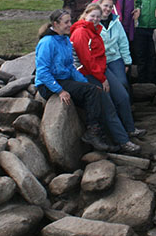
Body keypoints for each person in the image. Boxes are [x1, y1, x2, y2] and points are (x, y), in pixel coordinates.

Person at [34, 9, 115, 152]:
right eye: (66, 22)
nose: (69, 25)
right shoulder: (47, 42)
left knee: (93, 91)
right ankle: (92, 133)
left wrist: (85, 83)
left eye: (70, 21)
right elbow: (42, 71)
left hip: (63, 79)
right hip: (49, 84)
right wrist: (59, 91)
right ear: (55, 24)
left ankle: (99, 133)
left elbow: (71, 67)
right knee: (91, 93)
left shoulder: (65, 39)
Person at [70, 3, 142, 153]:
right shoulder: (81, 32)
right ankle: (123, 141)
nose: (95, 19)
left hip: (101, 70)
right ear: (85, 15)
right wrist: (102, 79)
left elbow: (98, 57)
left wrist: (104, 74)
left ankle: (130, 129)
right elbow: (87, 61)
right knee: (108, 106)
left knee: (122, 96)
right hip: (89, 73)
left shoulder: (94, 30)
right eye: (92, 16)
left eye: (98, 16)